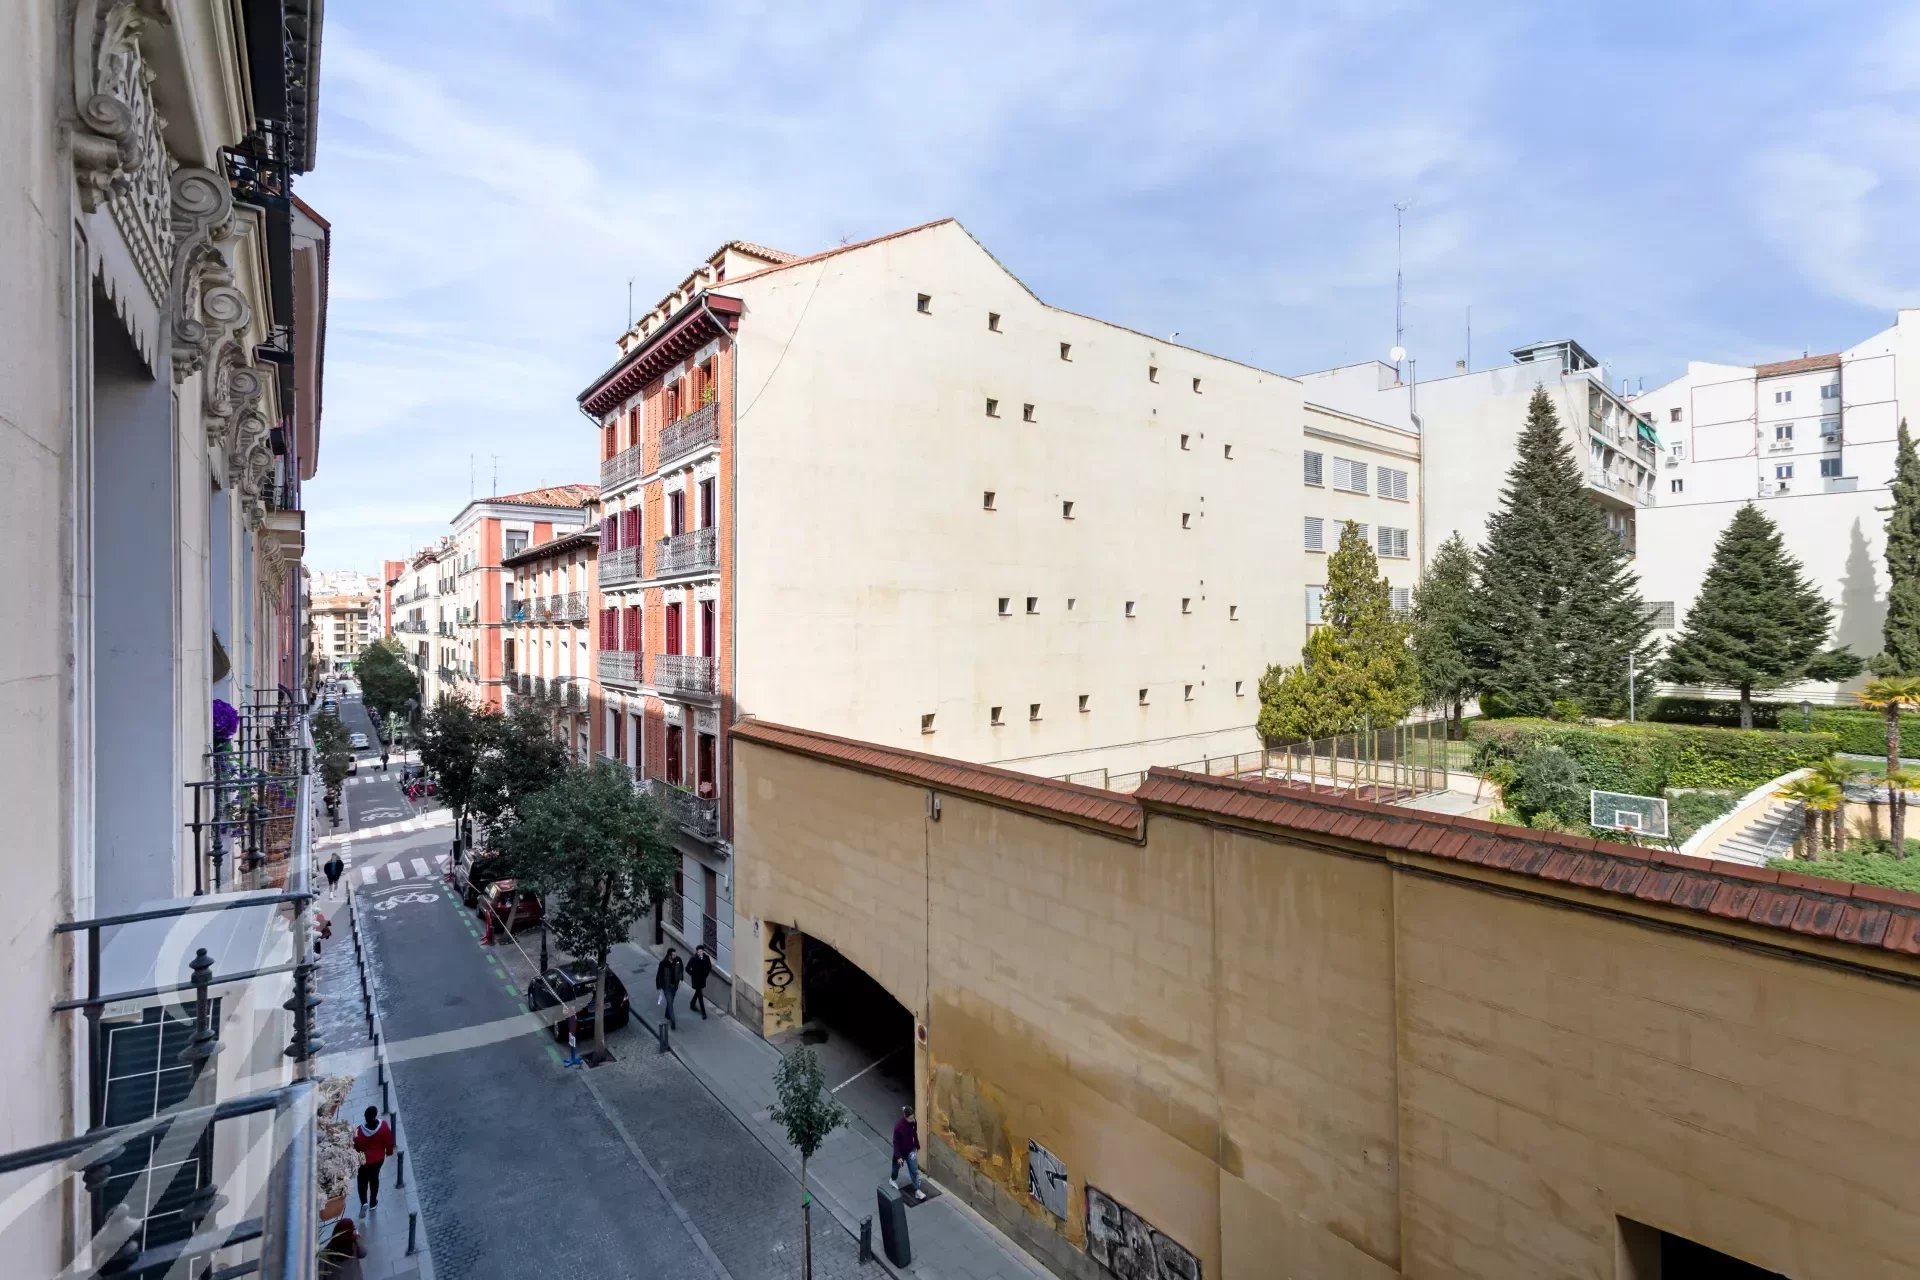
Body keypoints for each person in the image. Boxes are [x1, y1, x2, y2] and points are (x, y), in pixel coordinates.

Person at [351, 1106, 395, 1209]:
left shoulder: (358, 1130)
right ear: (375, 1115)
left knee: (362, 1180)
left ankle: (364, 1202)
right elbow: (389, 1141)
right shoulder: (383, 1126)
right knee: (374, 1178)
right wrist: (389, 1152)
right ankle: (373, 1202)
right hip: (378, 1159)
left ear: (365, 1117)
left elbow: (356, 1146)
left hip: (364, 1161)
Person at [891, 1105, 928, 1200]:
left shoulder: (914, 1122)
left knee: (914, 1170)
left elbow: (914, 1133)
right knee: (895, 1168)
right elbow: (895, 1142)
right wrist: (898, 1156)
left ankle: (917, 1191)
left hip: (911, 1150)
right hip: (900, 1152)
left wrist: (917, 1145)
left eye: (913, 1117)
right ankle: (893, 1179)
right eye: (910, 1118)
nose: (912, 1120)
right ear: (905, 1116)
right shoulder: (898, 1126)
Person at [654, 947, 683, 1029]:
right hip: (667, 987)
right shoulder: (663, 963)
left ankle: (667, 1014)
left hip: (675, 986)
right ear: (669, 955)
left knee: (671, 1001)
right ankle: (673, 1021)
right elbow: (658, 976)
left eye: (675, 954)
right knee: (670, 1003)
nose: (675, 955)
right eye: (673, 954)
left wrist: (681, 979)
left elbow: (681, 970)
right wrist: (659, 987)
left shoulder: (678, 960)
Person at [685, 945, 713, 1019]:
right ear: (697, 952)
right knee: (700, 995)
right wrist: (693, 974)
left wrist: (705, 975)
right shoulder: (693, 958)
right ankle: (703, 1013)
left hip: (702, 979)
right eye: (698, 951)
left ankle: (692, 1003)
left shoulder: (706, 958)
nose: (700, 953)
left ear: (703, 951)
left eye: (701, 951)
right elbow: (687, 968)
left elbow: (709, 967)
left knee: (698, 992)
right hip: (696, 980)